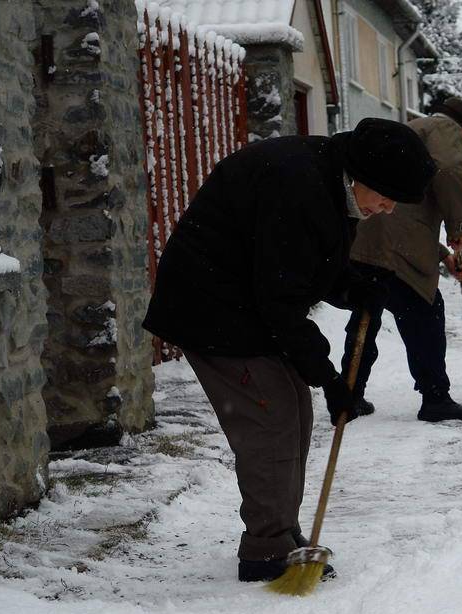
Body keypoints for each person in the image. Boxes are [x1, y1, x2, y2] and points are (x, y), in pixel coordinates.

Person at [143, 119, 436, 582]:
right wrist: (330, 377)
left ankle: (281, 532)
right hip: (214, 310)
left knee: (294, 411)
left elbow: (307, 265)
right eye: (386, 195)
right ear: (363, 175)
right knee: (271, 419)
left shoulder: (329, 181)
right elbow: (280, 296)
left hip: (247, 303)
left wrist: (353, 287)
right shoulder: (299, 186)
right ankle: (265, 549)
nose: (388, 207)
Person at [341, 98, 462, 423]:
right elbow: (450, 172)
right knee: (425, 311)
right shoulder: (444, 130)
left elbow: (409, 215)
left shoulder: (413, 129)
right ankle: (435, 397)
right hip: (394, 248)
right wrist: (457, 225)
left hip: (368, 237)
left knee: (366, 315)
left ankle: (348, 396)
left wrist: (444, 257)